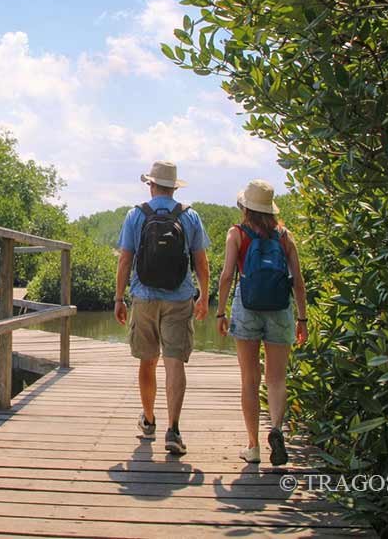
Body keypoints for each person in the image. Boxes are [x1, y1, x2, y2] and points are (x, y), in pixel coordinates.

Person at [114, 161, 211, 455]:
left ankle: (149, 420)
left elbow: (125, 260)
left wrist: (119, 298)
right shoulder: (190, 216)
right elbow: (201, 262)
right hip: (179, 298)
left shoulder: (135, 215)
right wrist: (205, 296)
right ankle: (174, 429)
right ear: (174, 187)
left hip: (143, 297)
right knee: (174, 362)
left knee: (147, 360)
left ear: (151, 185)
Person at [216, 179, 308, 466]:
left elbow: (228, 275)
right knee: (277, 379)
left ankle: (253, 446)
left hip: (247, 305)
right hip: (280, 307)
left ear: (245, 207)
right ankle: (277, 431)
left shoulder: (237, 234)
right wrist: (302, 318)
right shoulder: (285, 235)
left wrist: (220, 311)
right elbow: (299, 282)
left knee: (249, 379)